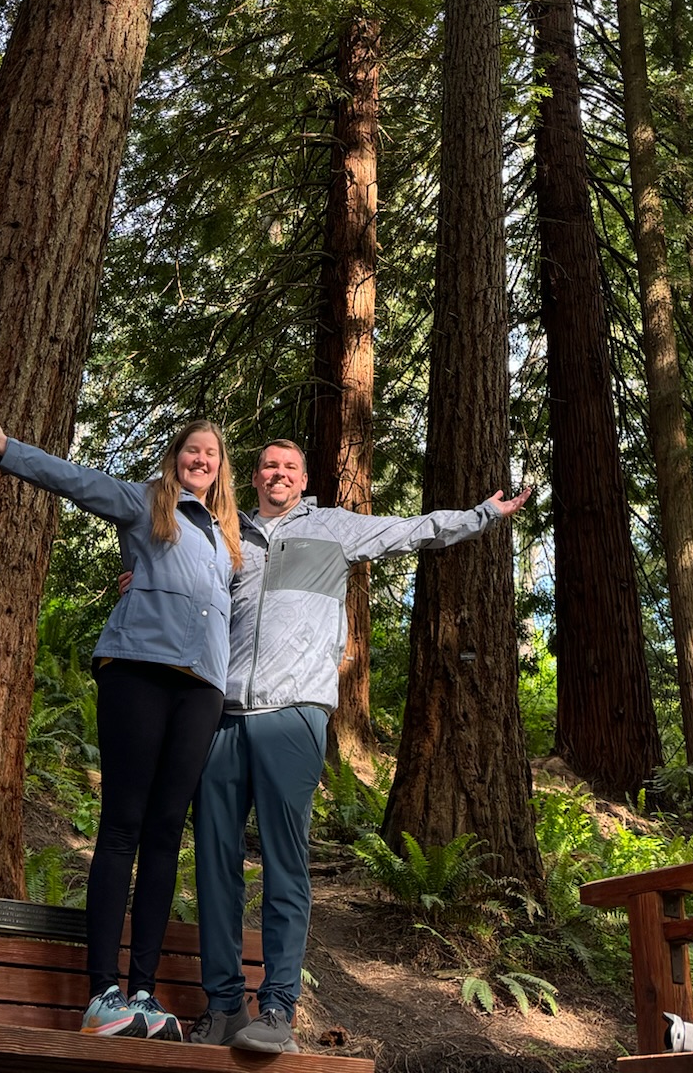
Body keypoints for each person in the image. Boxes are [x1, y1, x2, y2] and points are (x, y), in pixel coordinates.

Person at [186, 438, 531, 1054]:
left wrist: (482, 515)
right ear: (256, 475)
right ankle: (221, 1008)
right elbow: (191, 593)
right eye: (269, 465)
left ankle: (277, 1011)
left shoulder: (335, 528)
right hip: (224, 717)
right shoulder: (227, 534)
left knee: (285, 864)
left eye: (289, 466)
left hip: (294, 714)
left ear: (304, 477)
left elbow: (413, 530)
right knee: (215, 867)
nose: (279, 474)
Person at [0, 407, 241, 1043]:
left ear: (222, 470)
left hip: (203, 691)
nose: (202, 460)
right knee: (123, 826)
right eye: (193, 450)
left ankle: (144, 993)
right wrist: (7, 447)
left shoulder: (227, 539)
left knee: (166, 835)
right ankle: (102, 991)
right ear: (177, 457)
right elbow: (78, 481)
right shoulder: (147, 504)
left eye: (211, 455)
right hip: (138, 672)